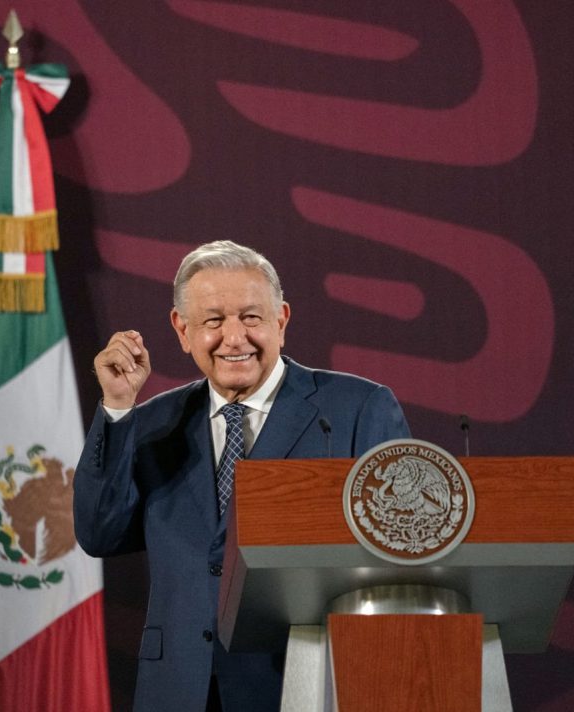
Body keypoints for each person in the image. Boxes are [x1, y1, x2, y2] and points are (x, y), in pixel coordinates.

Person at [74, 240, 410, 711]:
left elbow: (402, 553)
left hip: (305, 684)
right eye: (213, 321)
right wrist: (116, 407)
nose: (234, 338)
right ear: (183, 329)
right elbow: (99, 533)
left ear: (281, 321)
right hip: (180, 689)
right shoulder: (151, 423)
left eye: (251, 317)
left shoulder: (355, 409)